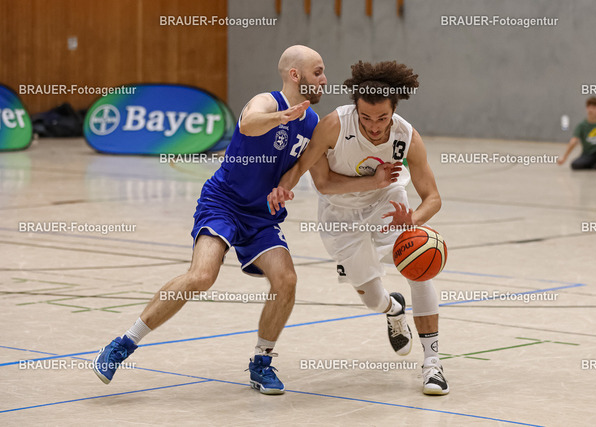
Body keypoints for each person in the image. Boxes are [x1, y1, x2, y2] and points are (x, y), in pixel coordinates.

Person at [93, 45, 327, 395]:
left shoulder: (312, 122)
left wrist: (286, 186)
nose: (324, 79)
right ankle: (123, 344)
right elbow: (247, 124)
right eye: (318, 72)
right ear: (296, 75)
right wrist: (280, 118)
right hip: (224, 203)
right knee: (202, 276)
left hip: (261, 216)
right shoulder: (267, 103)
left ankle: (261, 362)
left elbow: (305, 169)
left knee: (287, 280)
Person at [268, 61, 448, 395]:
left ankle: (433, 364)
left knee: (419, 267)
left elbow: (433, 198)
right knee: (372, 299)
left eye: (382, 118)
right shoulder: (334, 125)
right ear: (356, 108)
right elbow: (319, 180)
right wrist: (283, 187)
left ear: (394, 110)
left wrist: (412, 220)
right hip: (340, 214)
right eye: (366, 117)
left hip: (388, 205)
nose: (374, 126)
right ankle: (393, 309)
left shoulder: (406, 136)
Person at [558, 97, 596, 171]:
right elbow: (574, 141)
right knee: (575, 165)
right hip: (588, 154)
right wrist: (564, 157)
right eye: (589, 107)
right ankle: (595, 165)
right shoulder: (582, 125)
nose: (590, 110)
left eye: (593, 108)